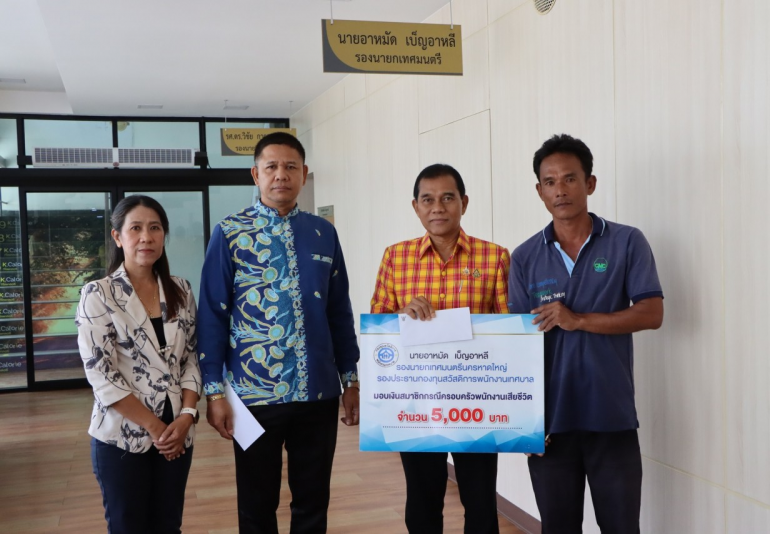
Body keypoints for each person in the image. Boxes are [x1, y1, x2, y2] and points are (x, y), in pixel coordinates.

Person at [197, 132, 360, 534]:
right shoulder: (229, 233)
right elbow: (212, 315)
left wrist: (351, 380)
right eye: (271, 167)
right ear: (256, 174)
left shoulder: (323, 233)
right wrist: (213, 393)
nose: (281, 175)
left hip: (318, 393)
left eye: (290, 167)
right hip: (254, 394)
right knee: (256, 505)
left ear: (304, 174)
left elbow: (339, 312)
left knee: (313, 502)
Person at [508, 134, 664, 533]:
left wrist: (578, 320)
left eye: (570, 179)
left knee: (621, 527)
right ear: (540, 191)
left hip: (611, 415)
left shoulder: (627, 241)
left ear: (589, 183)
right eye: (550, 182)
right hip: (550, 425)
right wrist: (524, 424)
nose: (560, 190)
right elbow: (517, 346)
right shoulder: (524, 257)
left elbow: (652, 313)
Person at [370, 163, 509, 534]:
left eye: (448, 198)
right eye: (427, 199)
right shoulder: (395, 257)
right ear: (415, 206)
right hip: (417, 402)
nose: (437, 208)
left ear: (464, 203)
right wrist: (401, 316)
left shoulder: (494, 257)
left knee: (481, 503)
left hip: (477, 401)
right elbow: (378, 329)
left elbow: (511, 334)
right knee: (422, 503)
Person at [76, 195, 201, 534]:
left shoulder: (181, 289)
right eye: (136, 228)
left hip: (178, 432)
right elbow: (102, 376)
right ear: (118, 237)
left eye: (155, 228)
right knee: (127, 527)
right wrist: (157, 428)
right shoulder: (98, 294)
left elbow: (191, 357)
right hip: (122, 437)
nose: (146, 237)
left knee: (168, 525)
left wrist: (186, 417)